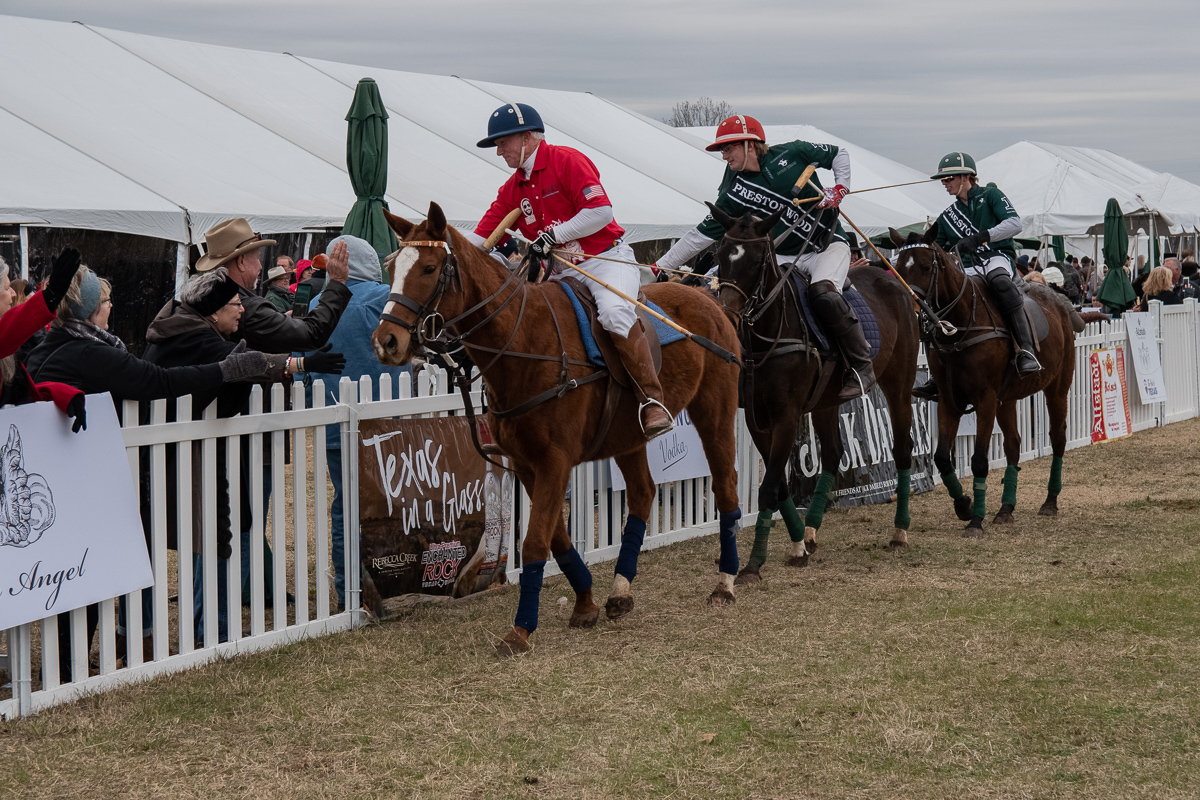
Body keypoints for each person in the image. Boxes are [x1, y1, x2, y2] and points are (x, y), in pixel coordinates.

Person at [25, 263, 271, 681]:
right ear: (88, 310)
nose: (111, 307)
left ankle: (69, 664)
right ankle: (67, 670)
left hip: (62, 476)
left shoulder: (53, 343)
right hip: (80, 480)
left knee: (75, 569)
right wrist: (225, 370)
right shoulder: (88, 352)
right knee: (82, 574)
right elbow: (157, 381)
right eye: (104, 301)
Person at [143, 268, 344, 644]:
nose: (241, 311)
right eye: (235, 305)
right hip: (182, 456)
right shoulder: (196, 338)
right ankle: (207, 631)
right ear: (214, 310)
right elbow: (241, 363)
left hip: (187, 451)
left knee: (207, 535)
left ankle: (205, 627)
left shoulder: (181, 325)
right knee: (214, 534)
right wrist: (299, 364)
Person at [467, 102, 672, 438]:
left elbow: (601, 212)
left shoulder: (566, 160)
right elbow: (479, 238)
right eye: (498, 145)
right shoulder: (513, 188)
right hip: (562, 272)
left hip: (605, 260)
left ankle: (651, 400)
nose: (499, 151)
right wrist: (438, 247)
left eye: (503, 142)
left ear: (528, 137)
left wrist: (554, 235)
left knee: (614, 312)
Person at [654, 115, 870, 402]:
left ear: (749, 144)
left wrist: (840, 188)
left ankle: (861, 367)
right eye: (722, 150)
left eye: (728, 148)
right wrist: (660, 266)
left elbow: (838, 154)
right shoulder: (733, 187)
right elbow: (702, 234)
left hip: (825, 247)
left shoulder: (794, 152)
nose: (725, 156)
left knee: (823, 293)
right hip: (781, 254)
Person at [304, 235, 406, 609]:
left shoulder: (318, 303)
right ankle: (385, 580)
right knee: (387, 504)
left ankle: (350, 587)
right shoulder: (384, 299)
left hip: (335, 424)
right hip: (386, 424)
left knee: (346, 505)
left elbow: (305, 365)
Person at [913, 152, 1038, 401]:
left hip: (996, 257)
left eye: (948, 178)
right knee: (936, 302)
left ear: (965, 176)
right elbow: (932, 247)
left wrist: (982, 237)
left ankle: (1026, 350)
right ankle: (937, 375)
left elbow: (1015, 224)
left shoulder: (991, 195)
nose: (944, 183)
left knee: (1001, 283)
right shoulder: (948, 215)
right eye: (942, 180)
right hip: (967, 268)